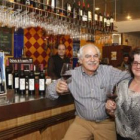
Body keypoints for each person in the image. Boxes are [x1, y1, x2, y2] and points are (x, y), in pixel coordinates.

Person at [46, 44, 130, 140]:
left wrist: (120, 96)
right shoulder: (72, 75)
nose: (92, 59)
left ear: (99, 59)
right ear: (80, 60)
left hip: (106, 122)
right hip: (82, 122)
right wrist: (56, 88)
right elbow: (49, 93)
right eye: (88, 56)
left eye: (95, 56)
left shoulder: (108, 71)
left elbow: (130, 77)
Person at [106, 47, 140, 140]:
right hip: (122, 137)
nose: (138, 66)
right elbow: (117, 114)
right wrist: (110, 110)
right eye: (135, 63)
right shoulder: (122, 85)